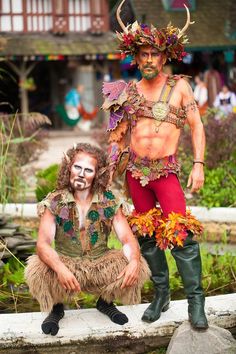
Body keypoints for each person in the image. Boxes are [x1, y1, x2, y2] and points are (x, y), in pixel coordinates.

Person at [102, 0, 208, 330]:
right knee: (147, 236)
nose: (149, 60)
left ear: (164, 57)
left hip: (166, 172)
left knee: (181, 235)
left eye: (154, 55)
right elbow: (117, 138)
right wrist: (109, 166)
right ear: (136, 58)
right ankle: (161, 295)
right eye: (143, 54)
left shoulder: (180, 87)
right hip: (136, 174)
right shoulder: (126, 92)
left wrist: (198, 164)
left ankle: (195, 301)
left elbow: (197, 126)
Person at [25, 143, 150, 336]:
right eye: (77, 167)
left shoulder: (108, 200)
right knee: (37, 268)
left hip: (100, 262)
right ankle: (56, 308)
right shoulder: (55, 200)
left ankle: (106, 302)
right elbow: (42, 244)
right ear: (69, 168)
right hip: (67, 264)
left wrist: (133, 261)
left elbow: (127, 239)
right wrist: (60, 269)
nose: (81, 174)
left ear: (97, 174)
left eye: (88, 170)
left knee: (137, 264)